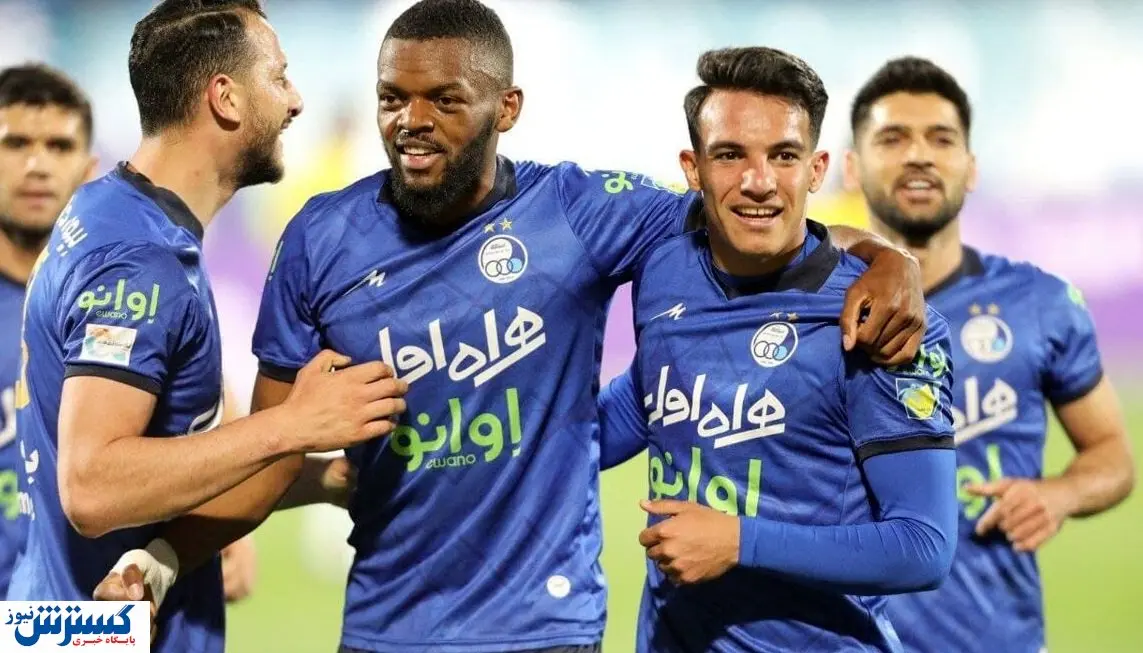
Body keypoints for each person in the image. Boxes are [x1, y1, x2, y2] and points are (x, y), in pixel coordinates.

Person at [109, 2, 929, 652]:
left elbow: (750, 217)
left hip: (547, 628)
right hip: (385, 628)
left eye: (444, 99)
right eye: (393, 98)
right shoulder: (318, 240)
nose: (412, 120)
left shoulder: (579, 211)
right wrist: (163, 556)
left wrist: (887, 258)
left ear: (506, 108)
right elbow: (266, 456)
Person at [9, 2, 407, 651]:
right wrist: (292, 424)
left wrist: (317, 475)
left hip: (72, 625)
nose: (296, 100)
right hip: (96, 633)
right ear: (225, 98)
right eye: (277, 77)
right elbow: (91, 485)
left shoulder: (113, 212)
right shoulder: (138, 264)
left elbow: (165, 459)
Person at [594, 46, 959, 653]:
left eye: (783, 156)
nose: (758, 181)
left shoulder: (879, 320)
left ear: (816, 170)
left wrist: (740, 541)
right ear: (693, 168)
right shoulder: (664, 270)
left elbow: (923, 546)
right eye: (730, 155)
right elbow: (644, 403)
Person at [844, 56, 1136, 653]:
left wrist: (1060, 494)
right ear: (850, 167)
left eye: (941, 139)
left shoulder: (1039, 303)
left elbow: (1112, 455)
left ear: (971, 167)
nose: (919, 156)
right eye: (893, 138)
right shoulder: (810, 307)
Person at [0, 63, 97, 596]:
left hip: (84, 619)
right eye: (15, 144)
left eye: (59, 146)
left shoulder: (125, 301)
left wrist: (225, 539)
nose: (37, 166)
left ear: (89, 170)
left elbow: (205, 418)